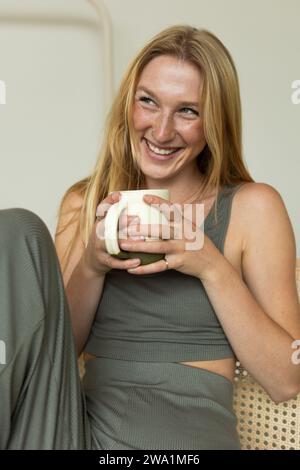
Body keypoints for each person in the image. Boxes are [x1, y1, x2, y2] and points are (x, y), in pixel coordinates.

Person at [1, 25, 299, 450]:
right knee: (16, 230)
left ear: (216, 120)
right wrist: (91, 263)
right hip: (74, 435)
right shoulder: (84, 203)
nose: (161, 132)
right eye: (148, 102)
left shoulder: (254, 207)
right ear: (129, 104)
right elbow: (49, 361)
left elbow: (286, 379)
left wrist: (209, 264)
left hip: (182, 448)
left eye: (188, 111)